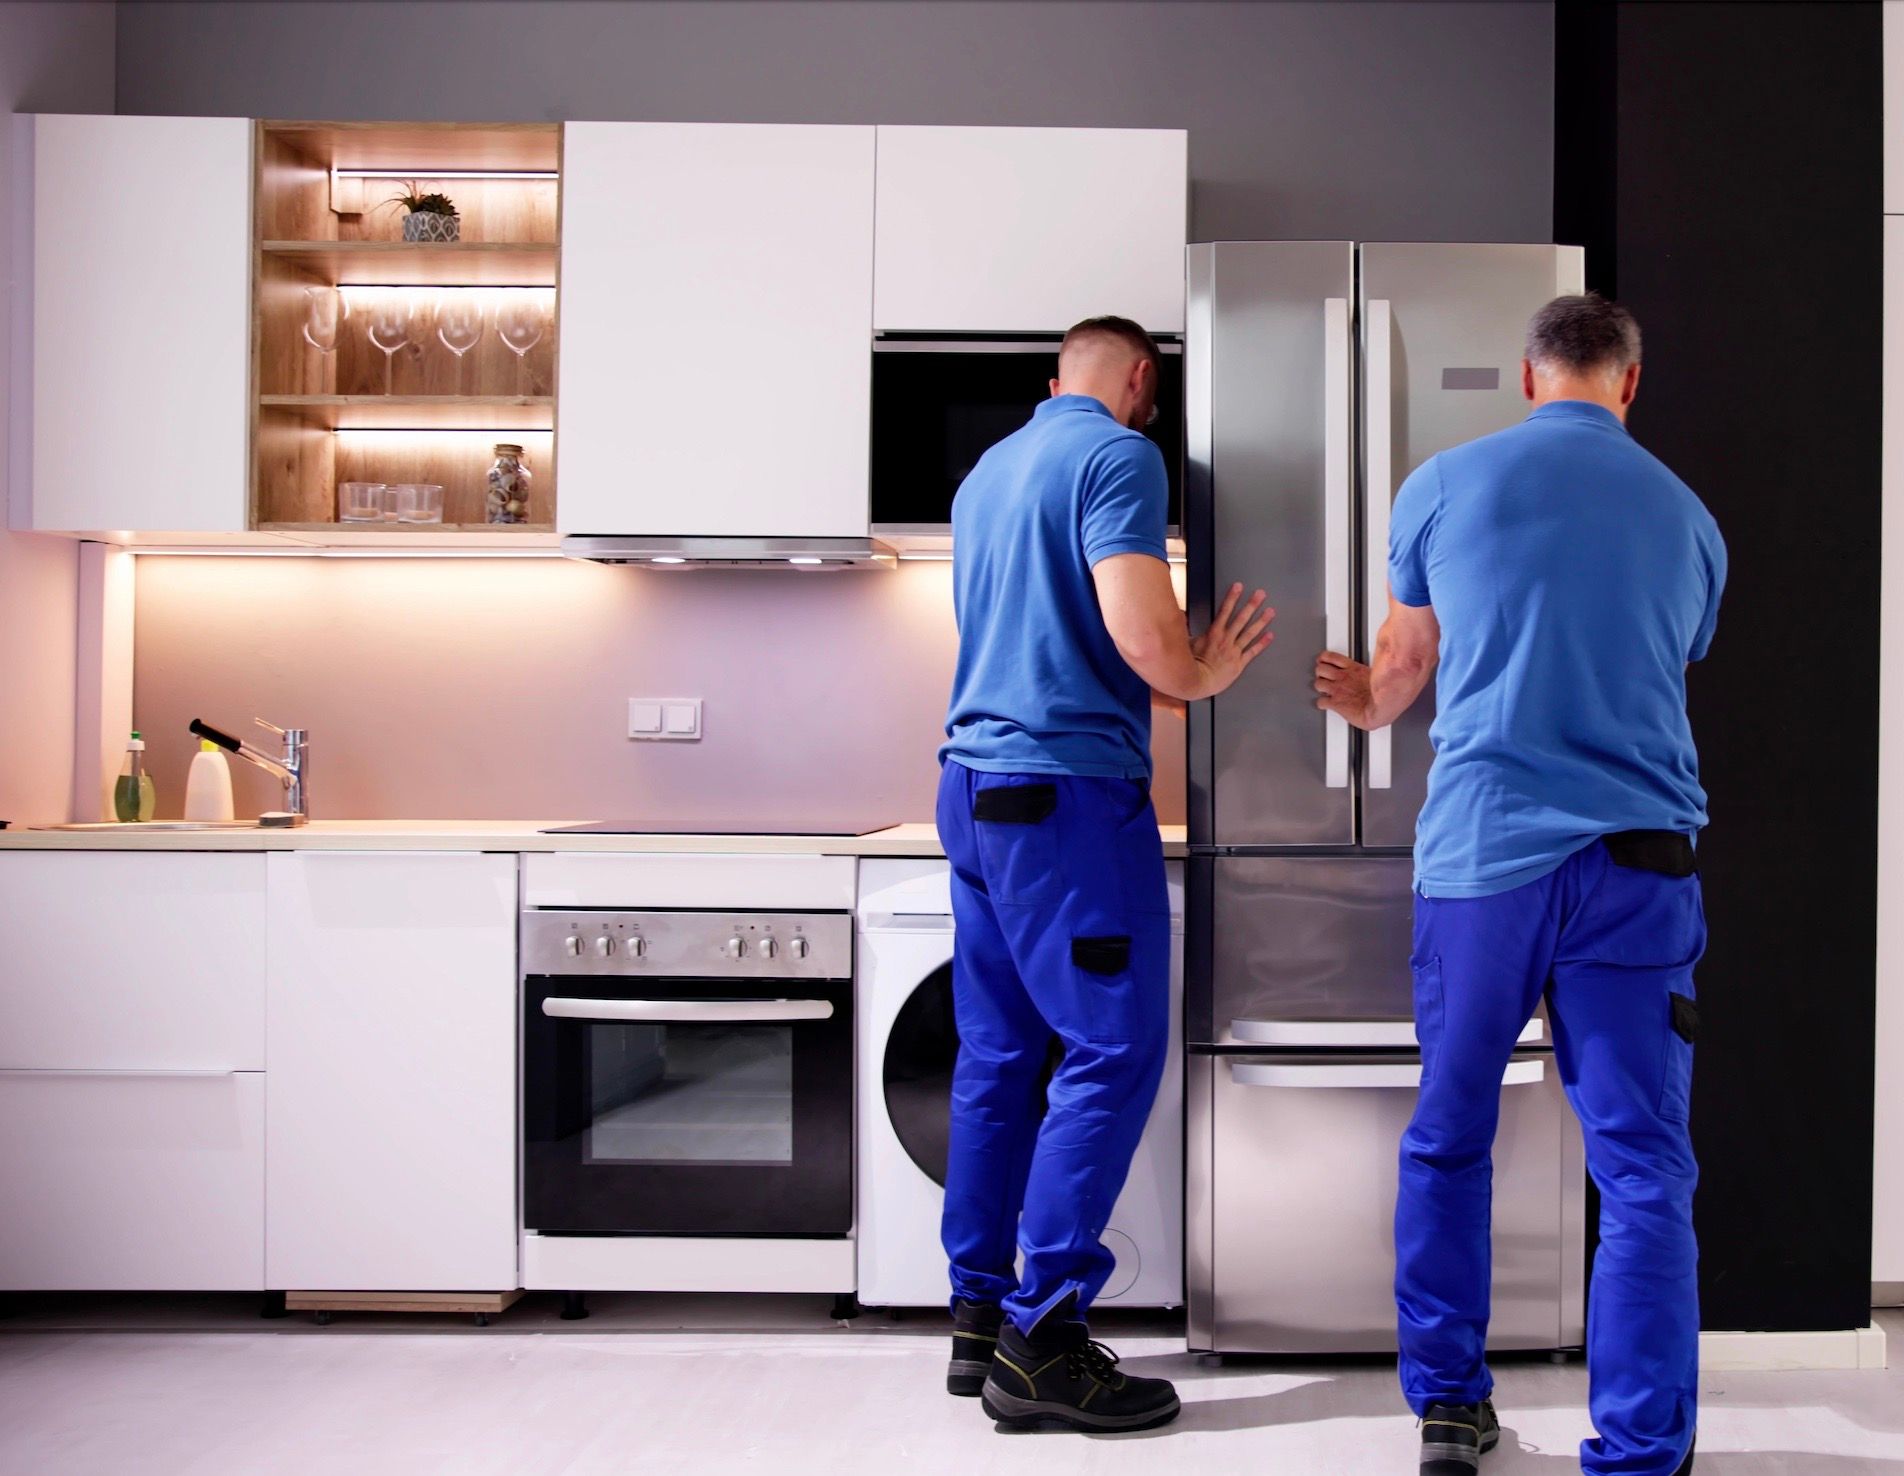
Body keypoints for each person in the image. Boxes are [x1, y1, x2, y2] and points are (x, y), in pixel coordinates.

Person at [1315, 293, 1723, 1476]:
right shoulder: (1688, 518)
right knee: (1641, 1165)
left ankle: (1448, 1407)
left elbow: (1399, 669)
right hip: (1636, 866)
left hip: (1483, 862)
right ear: (1626, 385)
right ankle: (1643, 1449)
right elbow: (1667, 651)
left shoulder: (1442, 485)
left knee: (1449, 1133)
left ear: (1528, 378)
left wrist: (1361, 701)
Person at [937, 315, 1272, 1434]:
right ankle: (1044, 1341)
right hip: (1066, 802)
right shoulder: (1116, 456)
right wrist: (1202, 671)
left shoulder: (988, 472)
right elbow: (1141, 634)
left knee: (997, 1056)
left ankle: (977, 1318)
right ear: (1139, 381)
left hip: (974, 790)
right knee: (1113, 1048)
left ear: (1052, 380)